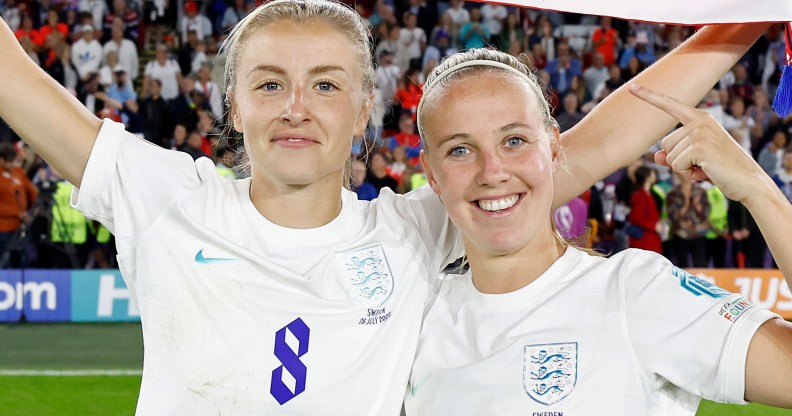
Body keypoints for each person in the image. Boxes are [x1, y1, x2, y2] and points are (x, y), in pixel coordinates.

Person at [0, 1, 775, 413]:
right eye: (269, 83)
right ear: (230, 105)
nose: (297, 107)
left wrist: (749, 16)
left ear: (365, 107)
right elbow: (21, 85)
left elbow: (588, 147)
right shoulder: (167, 200)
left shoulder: (412, 229)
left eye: (327, 84)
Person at [407, 48, 792, 415]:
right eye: (460, 149)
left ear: (554, 149)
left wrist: (758, 189)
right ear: (432, 174)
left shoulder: (634, 293)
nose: (492, 172)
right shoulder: (412, 319)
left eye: (514, 140)